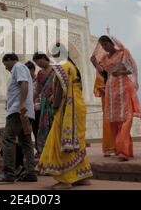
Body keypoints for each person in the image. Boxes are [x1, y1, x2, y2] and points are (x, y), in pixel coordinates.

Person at [36, 43, 93, 189]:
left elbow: (60, 88)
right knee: (77, 141)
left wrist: (55, 106)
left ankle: (66, 179)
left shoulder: (61, 65)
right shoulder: (72, 66)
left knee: (61, 141)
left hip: (68, 107)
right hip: (78, 105)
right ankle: (81, 175)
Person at [91, 36, 141, 161]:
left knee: (126, 118)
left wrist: (120, 73)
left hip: (123, 87)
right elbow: (103, 72)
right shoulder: (104, 58)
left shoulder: (123, 53)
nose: (104, 47)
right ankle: (122, 149)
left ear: (112, 43)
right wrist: (94, 64)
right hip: (111, 89)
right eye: (102, 45)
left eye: (106, 44)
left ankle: (123, 151)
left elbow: (132, 69)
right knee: (114, 121)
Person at [0, 53, 37, 183]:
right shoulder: (21, 69)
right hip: (26, 111)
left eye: (5, 64)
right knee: (26, 142)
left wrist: (21, 104)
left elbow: (24, 84)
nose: (6, 68)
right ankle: (31, 173)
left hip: (18, 111)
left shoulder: (18, 67)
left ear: (10, 60)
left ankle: (9, 173)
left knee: (8, 139)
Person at [32, 52, 55, 157]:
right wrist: (30, 101)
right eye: (36, 63)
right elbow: (38, 90)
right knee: (44, 127)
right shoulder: (40, 74)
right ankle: (45, 149)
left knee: (55, 124)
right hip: (45, 103)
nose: (38, 65)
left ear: (43, 58)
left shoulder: (55, 69)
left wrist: (54, 96)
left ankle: (56, 148)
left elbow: (62, 85)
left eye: (38, 62)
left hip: (56, 100)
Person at [92, 71, 116, 157]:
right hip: (108, 99)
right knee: (108, 121)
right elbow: (100, 86)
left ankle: (119, 147)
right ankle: (109, 147)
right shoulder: (101, 70)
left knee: (118, 122)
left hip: (117, 97)